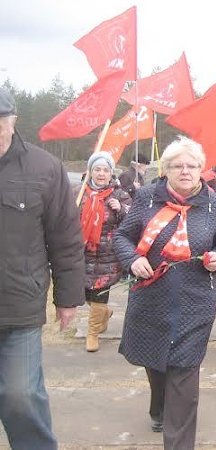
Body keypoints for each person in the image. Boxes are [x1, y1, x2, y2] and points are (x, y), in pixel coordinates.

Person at [113, 136, 216, 449]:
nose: (185, 170)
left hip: (196, 303)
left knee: (183, 373)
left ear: (201, 169)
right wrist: (134, 258)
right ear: (166, 169)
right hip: (150, 297)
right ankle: (158, 405)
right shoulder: (146, 198)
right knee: (156, 363)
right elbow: (123, 238)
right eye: (177, 165)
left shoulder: (214, 203)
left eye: (191, 165)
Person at [0, 87, 85, 449]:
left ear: (13, 120)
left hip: (19, 305)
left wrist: (67, 299)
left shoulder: (44, 169)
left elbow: (65, 239)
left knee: (20, 396)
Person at [78, 151, 132, 352]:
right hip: (82, 253)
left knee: (100, 293)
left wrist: (121, 209)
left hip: (108, 255)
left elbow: (133, 221)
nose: (101, 173)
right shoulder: (80, 192)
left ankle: (92, 334)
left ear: (111, 173)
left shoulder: (119, 194)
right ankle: (104, 312)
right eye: (97, 169)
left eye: (105, 170)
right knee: (84, 294)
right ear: (90, 171)